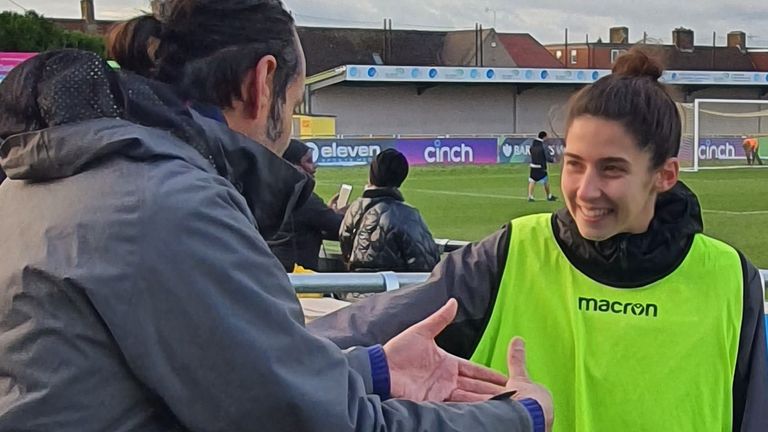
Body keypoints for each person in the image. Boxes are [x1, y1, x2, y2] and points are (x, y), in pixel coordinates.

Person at [0, 1, 553, 432]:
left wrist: (375, 370)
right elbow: (312, 423)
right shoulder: (166, 204)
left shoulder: (53, 177)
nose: (287, 125)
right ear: (263, 84)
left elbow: (221, 384)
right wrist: (521, 417)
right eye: (292, 104)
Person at [310, 48, 768, 431]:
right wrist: (261, 353)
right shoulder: (509, 255)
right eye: (574, 163)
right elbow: (334, 342)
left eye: (611, 169)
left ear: (665, 174)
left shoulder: (731, 278)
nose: (586, 191)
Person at [340, 148, 440, 273]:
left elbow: (346, 252)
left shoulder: (353, 209)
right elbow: (427, 262)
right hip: (393, 289)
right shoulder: (407, 215)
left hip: (357, 288)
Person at [270, 139, 344, 271]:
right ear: (293, 165)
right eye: (308, 161)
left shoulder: (268, 192)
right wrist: (351, 213)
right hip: (298, 276)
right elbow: (339, 227)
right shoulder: (304, 198)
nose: (314, 167)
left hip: (273, 271)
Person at [528, 131, 557, 202]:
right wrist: (552, 160)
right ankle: (549, 196)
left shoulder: (533, 145)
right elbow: (546, 156)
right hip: (541, 167)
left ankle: (530, 196)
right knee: (545, 181)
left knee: (532, 180)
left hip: (533, 165)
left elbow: (530, 152)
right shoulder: (543, 145)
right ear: (544, 137)